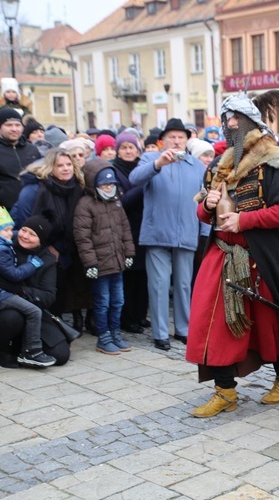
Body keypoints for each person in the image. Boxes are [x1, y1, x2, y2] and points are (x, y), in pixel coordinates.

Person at [186, 91, 279, 418]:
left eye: (235, 119)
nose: (230, 124)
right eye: (226, 119)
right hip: (221, 253)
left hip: (262, 257)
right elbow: (204, 213)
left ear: (250, 122)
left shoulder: (274, 160)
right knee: (213, 322)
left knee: (271, 322)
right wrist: (208, 206)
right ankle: (225, 391)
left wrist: (246, 219)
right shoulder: (220, 163)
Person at [129, 118, 209, 351]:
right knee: (159, 284)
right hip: (157, 232)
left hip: (187, 232)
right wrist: (158, 164)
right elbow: (134, 180)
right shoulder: (150, 158)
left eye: (180, 137)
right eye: (171, 137)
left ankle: (183, 329)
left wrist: (204, 231)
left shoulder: (197, 165)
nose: (176, 141)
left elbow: (204, 198)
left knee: (184, 284)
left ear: (187, 140)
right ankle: (160, 333)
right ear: (162, 140)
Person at [0, 214, 71, 368]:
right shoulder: (4, 245)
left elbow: (48, 297)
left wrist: (19, 290)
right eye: (24, 230)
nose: (25, 236)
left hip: (33, 309)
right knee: (12, 318)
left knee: (61, 355)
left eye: (33, 235)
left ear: (41, 241)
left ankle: (23, 349)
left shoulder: (46, 260)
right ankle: (2, 350)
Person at [10, 148, 90, 329]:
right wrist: (48, 248)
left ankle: (56, 330)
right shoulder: (34, 190)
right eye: (59, 165)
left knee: (60, 293)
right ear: (50, 168)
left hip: (66, 249)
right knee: (45, 293)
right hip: (37, 250)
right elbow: (24, 224)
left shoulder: (77, 187)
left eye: (69, 164)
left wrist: (61, 248)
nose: (65, 169)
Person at [74, 159, 136, 354]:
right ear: (94, 184)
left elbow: (125, 229)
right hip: (99, 266)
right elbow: (82, 237)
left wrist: (129, 253)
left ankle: (115, 333)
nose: (108, 187)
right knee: (103, 302)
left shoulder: (116, 202)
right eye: (104, 184)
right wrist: (90, 263)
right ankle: (104, 336)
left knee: (118, 300)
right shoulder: (85, 205)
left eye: (111, 184)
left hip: (117, 263)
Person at [111, 132, 149, 334]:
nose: (128, 151)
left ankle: (141, 315)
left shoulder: (143, 168)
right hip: (125, 229)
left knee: (143, 275)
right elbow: (122, 202)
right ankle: (128, 318)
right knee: (130, 275)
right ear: (118, 150)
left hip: (145, 226)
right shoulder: (113, 171)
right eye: (124, 147)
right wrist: (144, 185)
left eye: (131, 147)